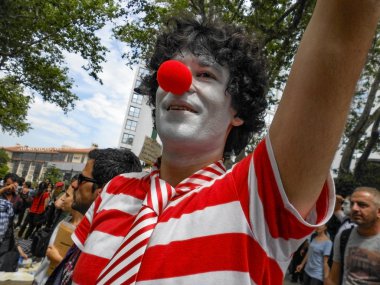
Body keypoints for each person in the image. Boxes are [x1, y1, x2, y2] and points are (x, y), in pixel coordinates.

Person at [72, 1, 380, 284]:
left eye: (205, 74)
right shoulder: (115, 189)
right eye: (172, 72)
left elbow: (336, 42)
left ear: (238, 111)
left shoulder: (257, 197)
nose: (178, 82)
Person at [45, 148, 142, 285]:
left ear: (103, 191)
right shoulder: (88, 233)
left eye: (81, 179)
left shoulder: (116, 251)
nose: (74, 184)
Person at [325, 187, 380, 285]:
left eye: (362, 205)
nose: (354, 208)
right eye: (352, 204)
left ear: (378, 212)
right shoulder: (344, 236)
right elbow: (333, 278)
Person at [33, 180, 83, 285]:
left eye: (67, 195)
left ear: (78, 198)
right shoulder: (66, 220)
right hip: (41, 277)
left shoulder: (81, 231)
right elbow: (58, 203)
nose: (62, 198)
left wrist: (59, 260)